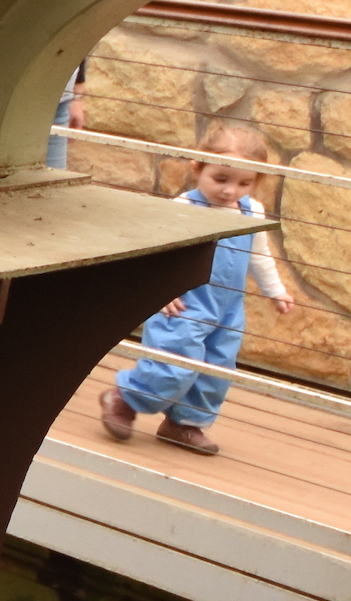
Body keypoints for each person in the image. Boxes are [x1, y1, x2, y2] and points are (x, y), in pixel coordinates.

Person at [99, 119, 293, 456]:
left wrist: (275, 290)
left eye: (244, 183)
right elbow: (158, 254)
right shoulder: (185, 208)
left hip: (228, 308)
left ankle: (185, 423)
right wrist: (160, 291)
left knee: (215, 369)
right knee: (172, 364)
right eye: (220, 179)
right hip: (184, 303)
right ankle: (125, 398)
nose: (229, 191)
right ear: (197, 167)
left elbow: (259, 255)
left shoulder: (252, 211)